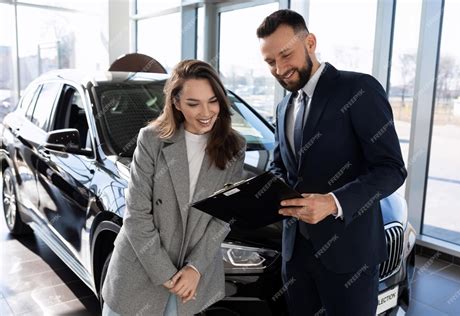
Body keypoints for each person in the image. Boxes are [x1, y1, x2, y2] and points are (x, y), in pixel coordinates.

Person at [257, 10, 407, 316]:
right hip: (295, 254)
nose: (280, 68)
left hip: (349, 256)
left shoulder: (358, 89)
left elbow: (392, 168)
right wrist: (257, 193)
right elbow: (281, 169)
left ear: (310, 42)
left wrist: (333, 202)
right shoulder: (284, 105)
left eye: (286, 55)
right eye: (270, 62)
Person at [101, 59, 246, 315]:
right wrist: (165, 274)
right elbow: (136, 214)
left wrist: (195, 268)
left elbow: (223, 217)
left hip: (192, 281)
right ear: (176, 103)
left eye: (213, 101)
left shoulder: (234, 147)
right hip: (140, 271)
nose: (206, 112)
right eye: (193, 103)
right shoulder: (152, 140)